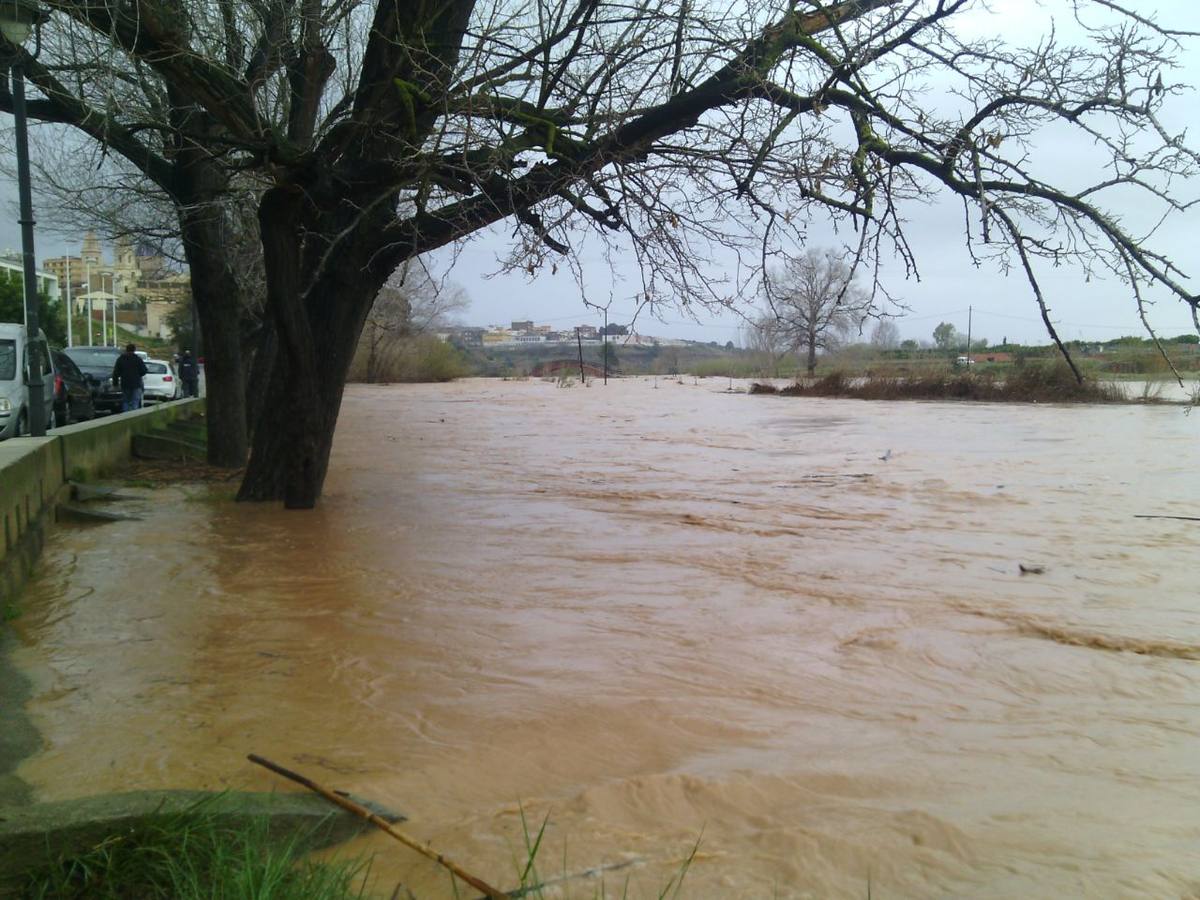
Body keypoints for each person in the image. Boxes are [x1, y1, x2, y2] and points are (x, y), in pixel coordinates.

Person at [111, 343, 148, 413]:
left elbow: (115, 373)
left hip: (125, 383)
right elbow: (144, 371)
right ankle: (134, 415)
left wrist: (115, 384)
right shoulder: (138, 359)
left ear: (126, 350)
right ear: (134, 350)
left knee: (126, 401)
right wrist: (138, 375)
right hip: (136, 383)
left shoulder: (121, 359)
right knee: (135, 401)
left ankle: (126, 414)